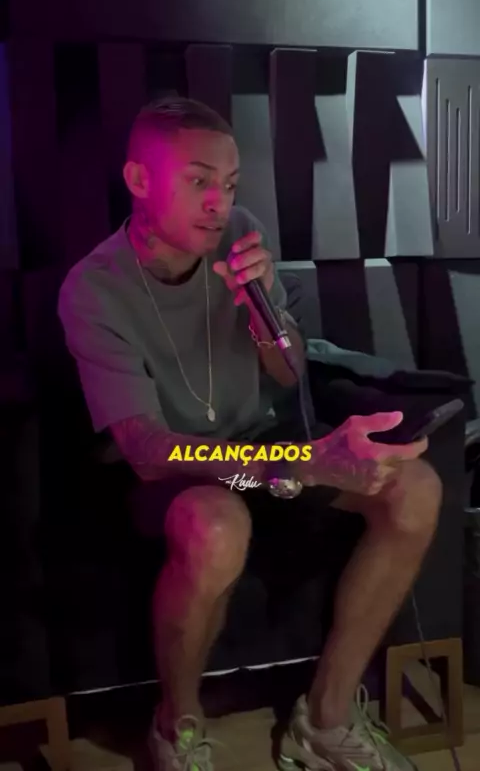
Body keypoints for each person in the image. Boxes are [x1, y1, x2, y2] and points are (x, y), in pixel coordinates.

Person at [58, 96, 442, 771]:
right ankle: (177, 723)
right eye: (198, 180)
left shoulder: (240, 234)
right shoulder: (93, 289)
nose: (219, 203)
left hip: (266, 444)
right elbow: (147, 452)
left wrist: (266, 315)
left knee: (415, 487)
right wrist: (302, 464)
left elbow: (291, 372)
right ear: (140, 180)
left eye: (230, 184)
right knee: (216, 527)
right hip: (182, 470)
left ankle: (326, 717)